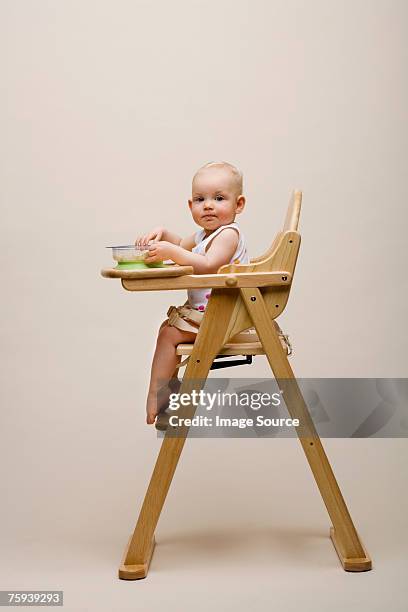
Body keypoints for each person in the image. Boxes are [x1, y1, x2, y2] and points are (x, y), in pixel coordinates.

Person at [136, 161, 249, 425]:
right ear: (190, 206)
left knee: (168, 334)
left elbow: (208, 265)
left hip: (225, 315)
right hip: (207, 313)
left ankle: (158, 393)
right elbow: (180, 245)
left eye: (219, 198)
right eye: (200, 199)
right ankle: (170, 386)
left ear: (239, 204)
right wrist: (163, 235)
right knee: (167, 328)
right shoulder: (204, 235)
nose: (208, 205)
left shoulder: (228, 235)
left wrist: (171, 253)